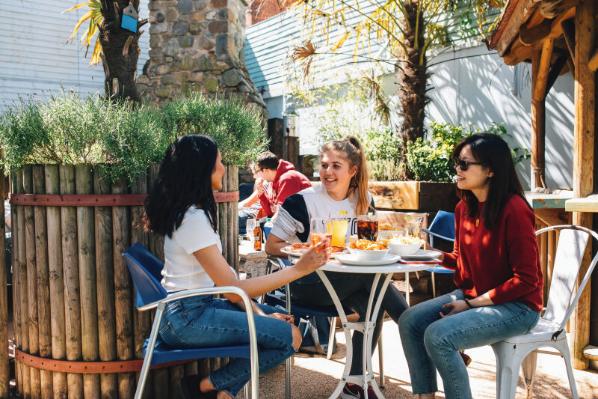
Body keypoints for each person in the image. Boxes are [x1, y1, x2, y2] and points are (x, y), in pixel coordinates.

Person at [144, 135, 329, 399]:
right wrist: (299, 269)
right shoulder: (192, 219)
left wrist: (262, 315)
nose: (222, 167)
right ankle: (205, 387)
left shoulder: (189, 213)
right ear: (202, 170)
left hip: (192, 309)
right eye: (218, 162)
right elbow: (234, 290)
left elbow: (230, 282)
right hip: (187, 318)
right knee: (289, 336)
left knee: (286, 328)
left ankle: (217, 391)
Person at [398, 133, 543, 399]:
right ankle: (425, 395)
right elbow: (460, 260)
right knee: (410, 321)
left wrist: (471, 304)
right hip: (473, 296)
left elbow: (526, 280)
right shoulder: (464, 208)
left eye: (465, 164)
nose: (457, 169)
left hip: (518, 307)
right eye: (457, 163)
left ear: (490, 170)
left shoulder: (515, 210)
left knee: (438, 336)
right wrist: (426, 253)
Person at [265, 137, 408, 399]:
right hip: (307, 283)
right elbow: (271, 246)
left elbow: (367, 247)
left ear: (352, 170)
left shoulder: (363, 199)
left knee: (371, 302)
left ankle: (353, 385)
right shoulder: (302, 201)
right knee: (375, 283)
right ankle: (417, 328)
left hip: (349, 281)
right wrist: (304, 249)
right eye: (324, 165)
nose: (328, 172)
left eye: (336, 166)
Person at [256, 151, 311, 218]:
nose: (258, 176)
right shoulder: (273, 182)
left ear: (265, 170)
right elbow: (270, 213)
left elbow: (281, 214)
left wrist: (275, 210)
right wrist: (261, 195)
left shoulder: (288, 179)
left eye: (258, 172)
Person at [238, 163, 267, 236]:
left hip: (260, 214)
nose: (253, 176)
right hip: (255, 210)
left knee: (237, 216)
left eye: (255, 173)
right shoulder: (259, 181)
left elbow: (249, 202)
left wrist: (235, 208)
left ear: (262, 171)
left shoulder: (262, 181)